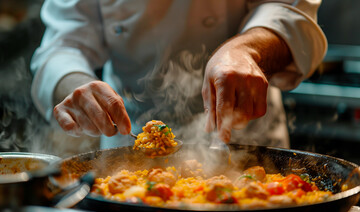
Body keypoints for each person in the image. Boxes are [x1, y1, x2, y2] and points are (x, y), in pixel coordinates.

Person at [30, 0, 327, 150]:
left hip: (247, 136)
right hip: (129, 140)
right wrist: (78, 86)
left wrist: (247, 50)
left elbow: (289, 10)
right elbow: (61, 46)